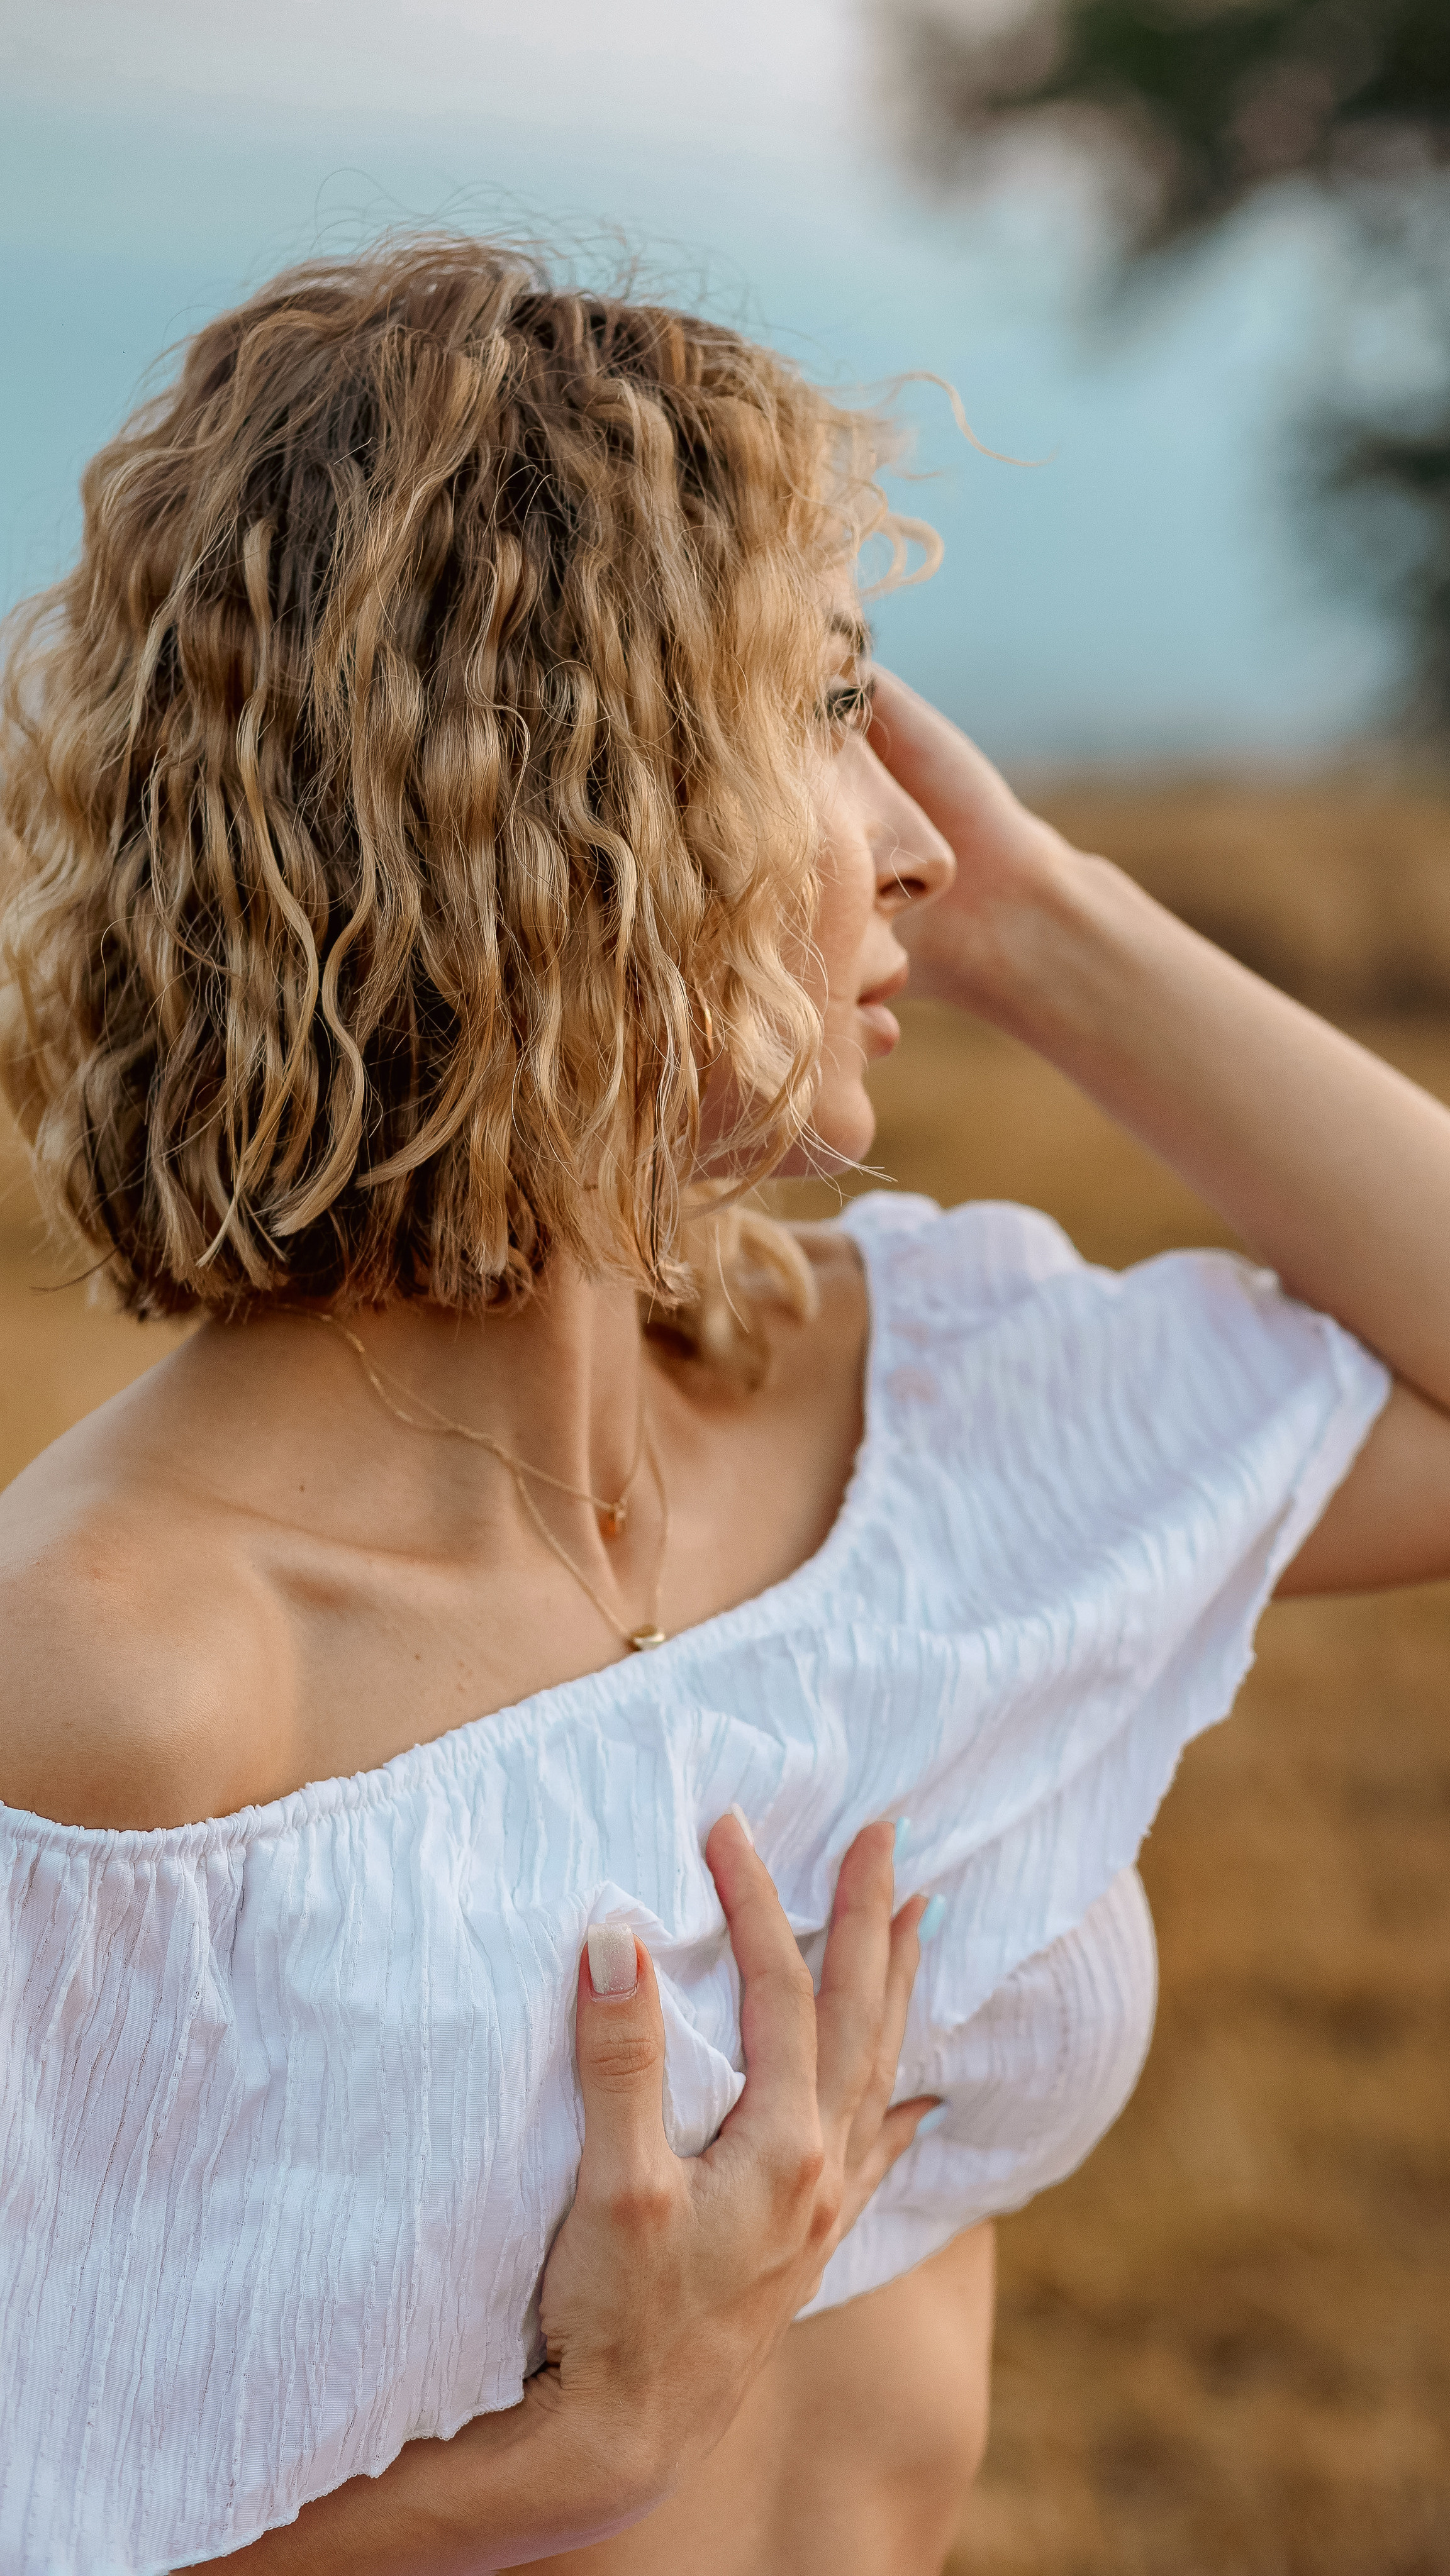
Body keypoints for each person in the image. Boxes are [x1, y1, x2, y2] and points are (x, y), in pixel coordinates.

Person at [2, 235, 1448, 2576]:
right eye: (818, 710)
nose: (911, 827)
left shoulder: (923, 1412)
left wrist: (1045, 923)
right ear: (541, 811)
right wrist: (564, 2456)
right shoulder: (118, 1689)